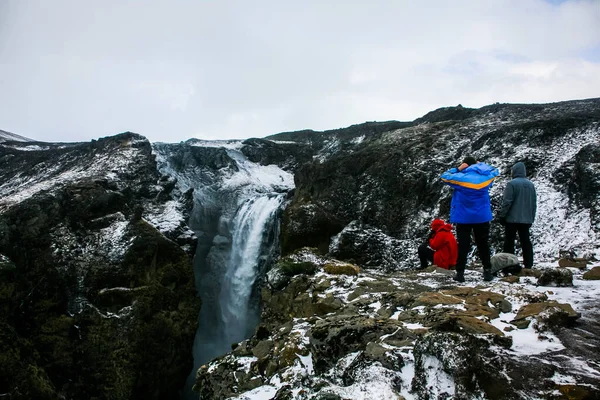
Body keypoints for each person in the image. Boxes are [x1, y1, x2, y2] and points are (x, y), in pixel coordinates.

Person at [441, 156, 499, 282]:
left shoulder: (460, 178)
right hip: (482, 217)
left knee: (463, 245)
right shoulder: (486, 178)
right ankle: (487, 271)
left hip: (463, 218)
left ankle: (460, 273)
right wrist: (481, 165)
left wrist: (458, 168)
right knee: (483, 244)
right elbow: (495, 170)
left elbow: (445, 176)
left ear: (465, 165)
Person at [497, 162, 537, 268]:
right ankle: (528, 264)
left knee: (509, 242)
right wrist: (531, 218)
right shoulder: (530, 185)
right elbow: (533, 204)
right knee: (526, 242)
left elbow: (507, 202)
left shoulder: (512, 184)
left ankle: (509, 265)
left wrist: (502, 215)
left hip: (512, 219)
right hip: (526, 219)